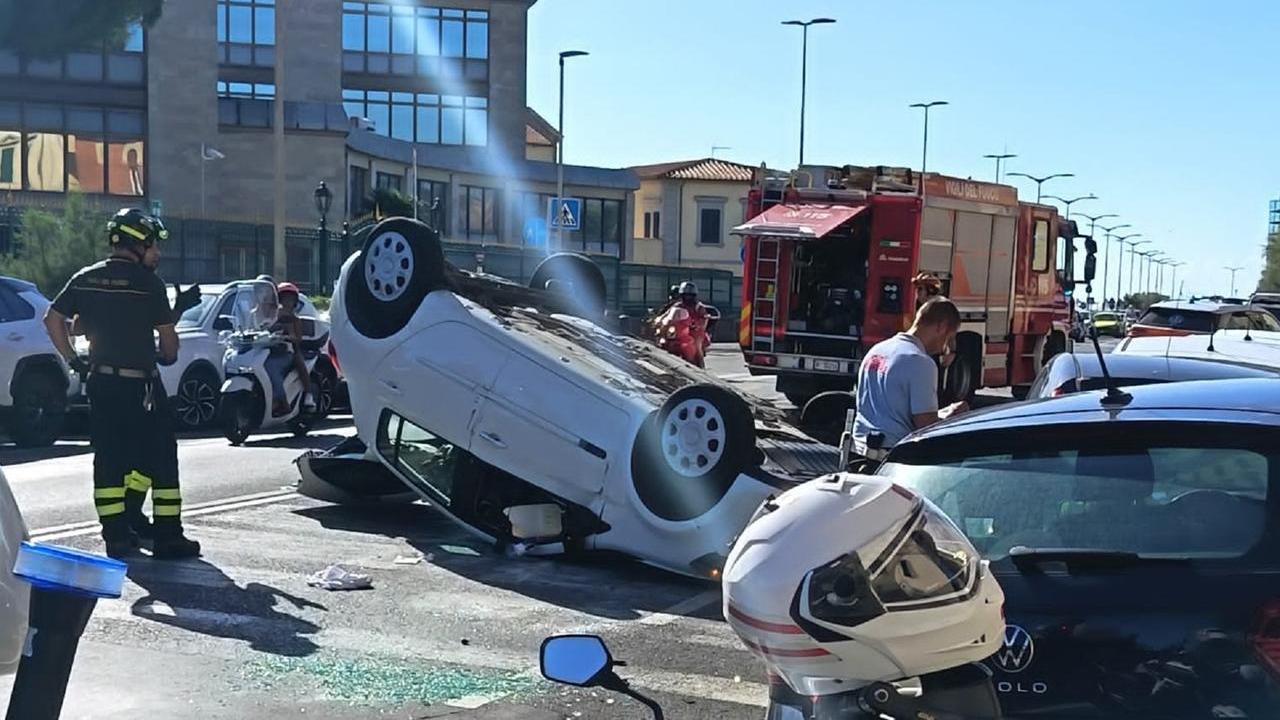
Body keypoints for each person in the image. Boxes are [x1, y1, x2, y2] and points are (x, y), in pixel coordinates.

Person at [43, 208, 201, 559]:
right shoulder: (149, 284)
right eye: (152, 246)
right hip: (141, 386)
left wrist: (73, 359)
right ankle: (168, 536)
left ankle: (117, 534)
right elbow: (170, 346)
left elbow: (54, 320)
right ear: (135, 243)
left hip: (101, 384)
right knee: (160, 455)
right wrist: (167, 349)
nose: (157, 254)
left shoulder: (85, 278)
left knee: (110, 458)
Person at [852, 297, 968, 464]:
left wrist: (941, 413)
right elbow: (925, 426)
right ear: (941, 327)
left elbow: (890, 409)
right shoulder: (919, 361)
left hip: (859, 450)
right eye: (949, 338)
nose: (946, 347)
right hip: (892, 457)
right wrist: (953, 417)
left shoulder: (877, 351)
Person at [265, 282, 315, 416]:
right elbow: (260, 329)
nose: (287, 301)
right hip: (267, 352)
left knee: (272, 368)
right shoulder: (269, 317)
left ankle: (282, 401)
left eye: (290, 299)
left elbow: (297, 338)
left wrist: (288, 336)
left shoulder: (294, 320)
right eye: (284, 298)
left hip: (287, 352)